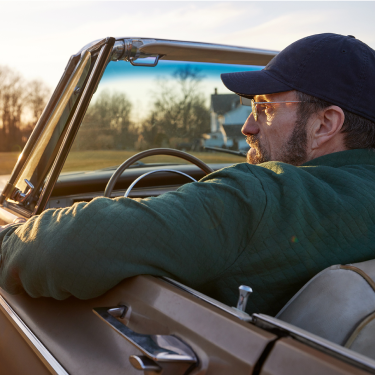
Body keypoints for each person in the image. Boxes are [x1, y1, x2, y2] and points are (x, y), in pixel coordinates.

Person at [1, 33, 375, 316]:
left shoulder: (262, 197)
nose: (247, 126)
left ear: (325, 124)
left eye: (266, 108)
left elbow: (71, 246)